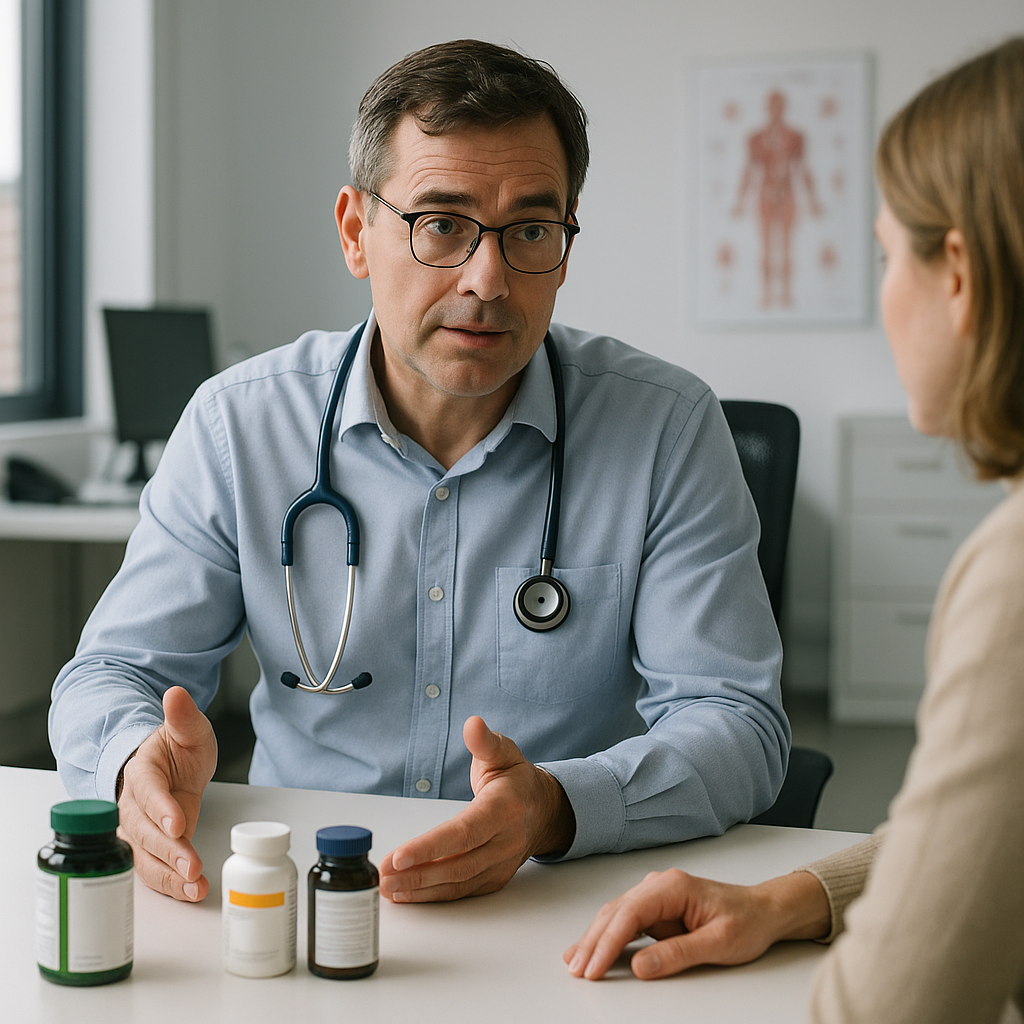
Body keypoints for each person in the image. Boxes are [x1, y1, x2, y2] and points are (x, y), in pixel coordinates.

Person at [49, 40, 789, 907]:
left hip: (553, 900)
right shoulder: (237, 427)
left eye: (530, 231)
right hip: (306, 892)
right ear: (355, 232)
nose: (489, 279)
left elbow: (736, 722)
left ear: (564, 244)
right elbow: (111, 673)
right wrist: (133, 760)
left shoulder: (665, 429)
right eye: (442, 224)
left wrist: (555, 808)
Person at [565, 36, 1024, 1024]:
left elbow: (896, 1005)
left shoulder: (1015, 574)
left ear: (958, 275)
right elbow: (995, 842)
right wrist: (791, 898)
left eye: (884, 257)